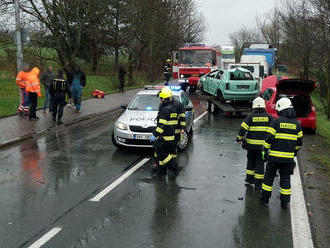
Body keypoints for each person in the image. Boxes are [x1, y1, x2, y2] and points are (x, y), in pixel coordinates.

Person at [260, 97, 303, 209]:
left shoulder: (276, 122)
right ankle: (284, 202)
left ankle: (265, 199)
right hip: (288, 159)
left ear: (281, 109)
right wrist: (293, 153)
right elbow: (299, 143)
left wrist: (264, 150)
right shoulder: (297, 124)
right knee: (285, 179)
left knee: (268, 178)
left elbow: (268, 138)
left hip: (274, 158)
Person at [236, 97, 273, 190]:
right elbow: (273, 132)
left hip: (251, 146)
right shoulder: (269, 117)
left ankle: (249, 179)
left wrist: (239, 139)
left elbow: (243, 129)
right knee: (260, 164)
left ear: (254, 106)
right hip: (263, 147)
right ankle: (258, 184)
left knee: (250, 162)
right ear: (264, 106)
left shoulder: (250, 116)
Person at [150, 87, 181, 179]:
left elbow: (162, 125)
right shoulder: (173, 108)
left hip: (165, 137)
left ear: (164, 98)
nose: (160, 99)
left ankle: (174, 168)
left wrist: (154, 135)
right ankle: (162, 172)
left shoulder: (165, 109)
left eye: (161, 98)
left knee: (162, 153)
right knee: (163, 154)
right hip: (171, 136)